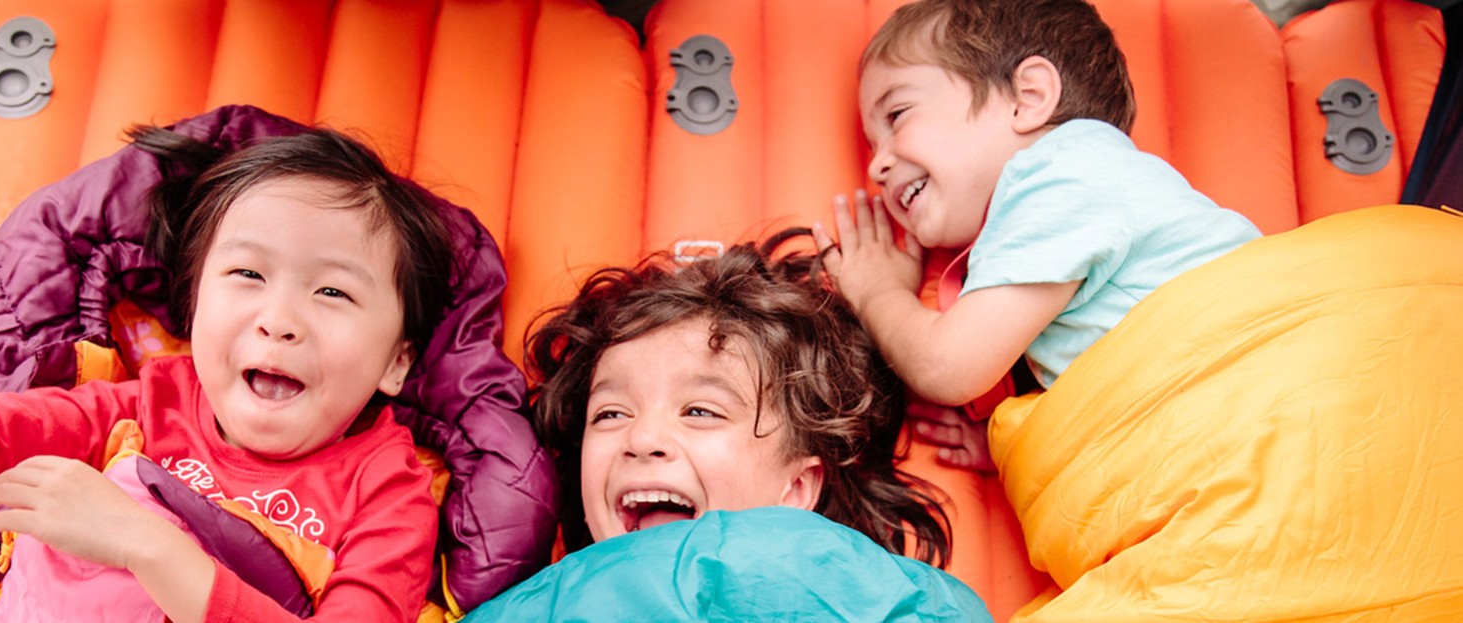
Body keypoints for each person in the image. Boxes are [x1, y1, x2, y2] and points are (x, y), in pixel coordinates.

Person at [0, 125, 458, 622]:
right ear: (195, 307)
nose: (280, 320)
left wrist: (155, 551)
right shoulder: (145, 406)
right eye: (248, 275)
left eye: (333, 293)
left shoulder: (390, 493)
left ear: (397, 361)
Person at [815, 0, 1261, 472]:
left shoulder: (1068, 169)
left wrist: (876, 291)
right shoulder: (1063, 208)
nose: (876, 165)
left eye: (898, 115)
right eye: (870, 144)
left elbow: (949, 366)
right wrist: (1025, 441)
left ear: (1028, 96)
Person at [463, 231, 989, 621]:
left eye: (699, 411)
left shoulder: (860, 591)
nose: (641, 440)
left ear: (798, 486)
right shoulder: (544, 600)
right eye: (611, 414)